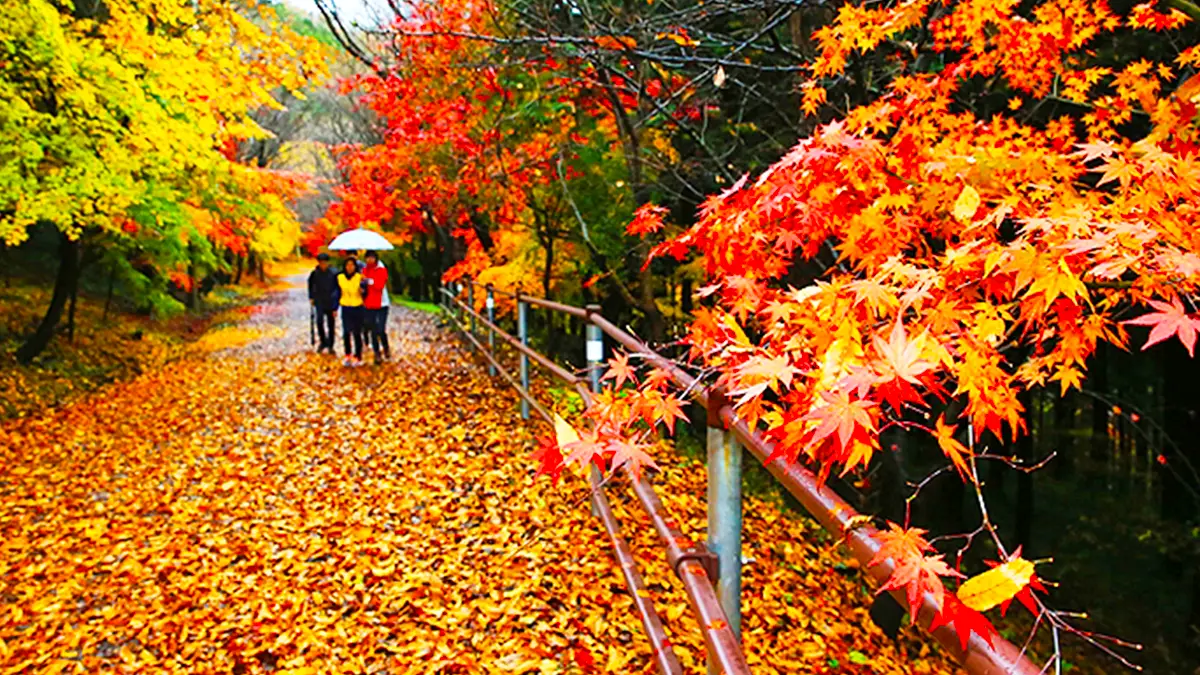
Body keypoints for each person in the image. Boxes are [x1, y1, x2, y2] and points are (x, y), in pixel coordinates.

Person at [361, 251, 391, 363]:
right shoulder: (365, 270)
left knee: (380, 328)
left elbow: (379, 285)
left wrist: (367, 280)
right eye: (367, 258)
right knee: (372, 328)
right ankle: (377, 352)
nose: (369, 260)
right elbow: (364, 284)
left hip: (382, 303)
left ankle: (385, 346)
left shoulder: (381, 270)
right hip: (369, 303)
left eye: (371, 258)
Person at [307, 253, 338, 354]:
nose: (323, 264)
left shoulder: (334, 273)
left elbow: (337, 287)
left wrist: (336, 302)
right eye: (321, 263)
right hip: (319, 300)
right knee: (319, 321)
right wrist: (311, 297)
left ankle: (331, 344)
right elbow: (310, 285)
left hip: (330, 301)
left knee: (331, 324)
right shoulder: (315, 273)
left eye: (325, 262)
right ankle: (323, 341)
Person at [337, 257, 366, 366]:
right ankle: (347, 354)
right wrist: (334, 307)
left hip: (357, 306)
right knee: (346, 332)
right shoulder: (340, 277)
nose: (350, 267)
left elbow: (366, 291)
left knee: (357, 333)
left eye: (352, 265)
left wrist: (362, 291)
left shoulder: (360, 277)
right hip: (345, 306)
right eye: (347, 265)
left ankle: (358, 355)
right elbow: (337, 292)